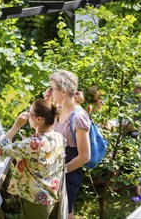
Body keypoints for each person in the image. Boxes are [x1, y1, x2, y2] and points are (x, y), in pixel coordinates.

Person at [0, 99, 66, 219]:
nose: (27, 116)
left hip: (35, 202)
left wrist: (16, 126)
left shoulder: (33, 144)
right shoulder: (57, 137)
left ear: (39, 119)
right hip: (51, 199)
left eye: (30, 113)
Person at [45, 69, 91, 219]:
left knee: (66, 213)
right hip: (57, 170)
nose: (49, 91)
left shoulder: (78, 117)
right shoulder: (59, 110)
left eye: (52, 88)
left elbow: (85, 156)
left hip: (68, 173)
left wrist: (62, 171)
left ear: (63, 91)